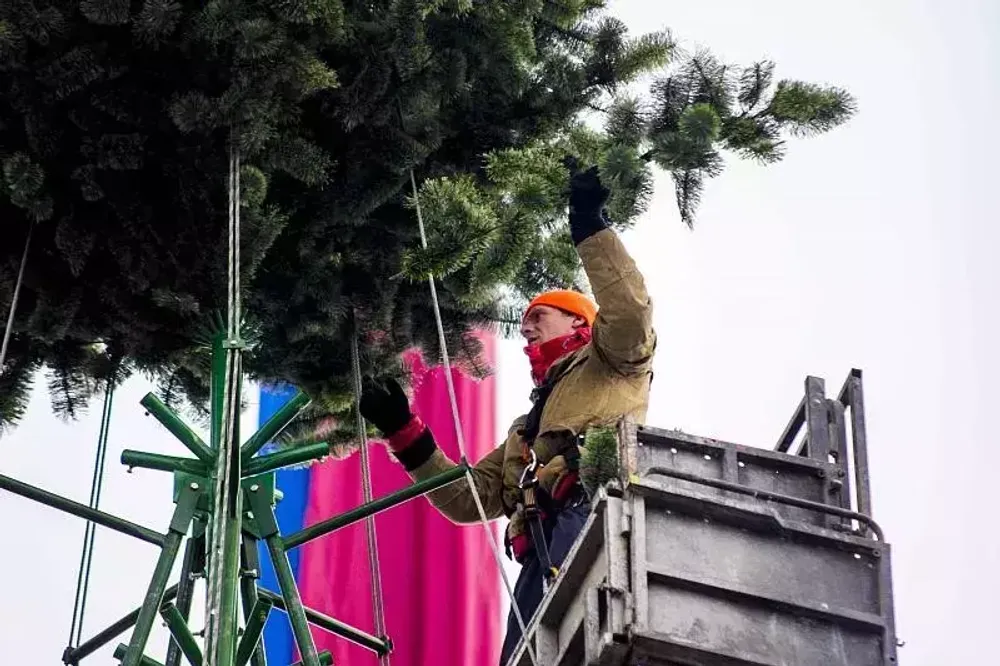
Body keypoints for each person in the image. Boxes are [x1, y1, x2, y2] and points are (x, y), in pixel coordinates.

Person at [359, 165, 656, 665]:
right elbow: (468, 498)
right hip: (542, 554)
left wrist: (589, 226)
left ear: (580, 324)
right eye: (523, 324)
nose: (527, 331)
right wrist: (402, 430)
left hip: (592, 521)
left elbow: (629, 311)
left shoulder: (612, 361)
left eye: (539, 316)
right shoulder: (527, 430)